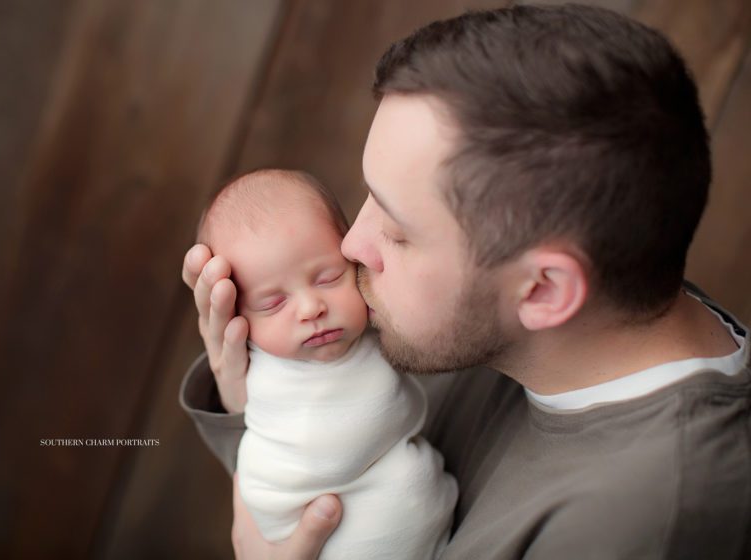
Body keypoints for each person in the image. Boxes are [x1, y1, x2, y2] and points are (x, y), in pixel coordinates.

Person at [180, 4, 751, 559]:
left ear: (545, 290)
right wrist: (249, 391)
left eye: (398, 232)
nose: (352, 245)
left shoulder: (641, 523)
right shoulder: (494, 321)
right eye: (368, 199)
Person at [191, 168, 457, 559]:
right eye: (272, 303)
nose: (311, 308)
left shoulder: (391, 327)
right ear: (239, 319)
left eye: (329, 277)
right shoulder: (263, 377)